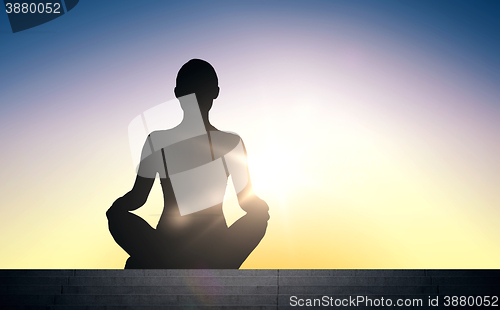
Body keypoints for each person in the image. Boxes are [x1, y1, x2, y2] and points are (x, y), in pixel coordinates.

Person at [106, 59, 270, 268]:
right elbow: (247, 202)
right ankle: (216, 264)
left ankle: (154, 260)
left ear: (177, 93)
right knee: (259, 218)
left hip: (168, 244)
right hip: (214, 245)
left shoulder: (157, 141)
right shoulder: (231, 143)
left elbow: (137, 198)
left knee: (117, 217)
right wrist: (261, 208)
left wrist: (116, 210)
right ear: (215, 92)